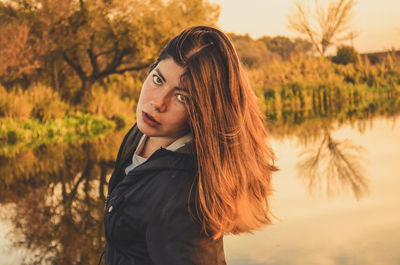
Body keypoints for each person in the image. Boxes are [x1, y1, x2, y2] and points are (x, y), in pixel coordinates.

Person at [103, 26, 277, 265]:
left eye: (182, 97)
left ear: (203, 111)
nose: (157, 103)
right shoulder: (139, 134)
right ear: (151, 69)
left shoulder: (184, 200)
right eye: (158, 79)